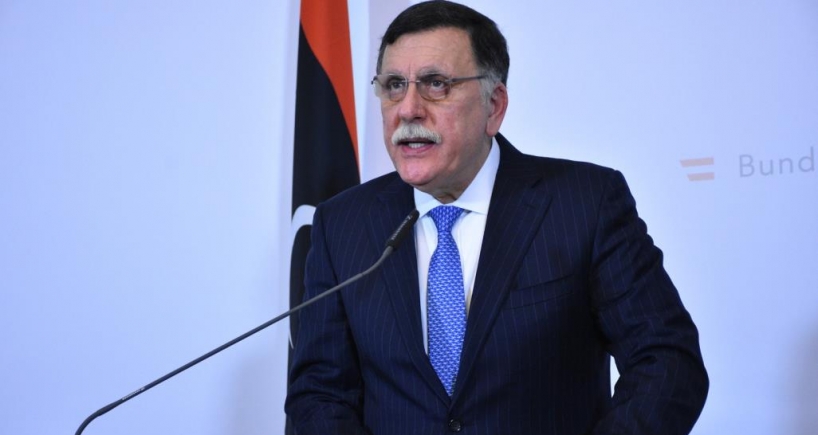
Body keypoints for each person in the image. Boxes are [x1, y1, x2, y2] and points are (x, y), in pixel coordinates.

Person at [285, 1, 709, 434]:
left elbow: (666, 360)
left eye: (436, 84)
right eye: (394, 85)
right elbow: (320, 391)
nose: (408, 109)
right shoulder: (343, 225)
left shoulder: (584, 203)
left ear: (494, 106)